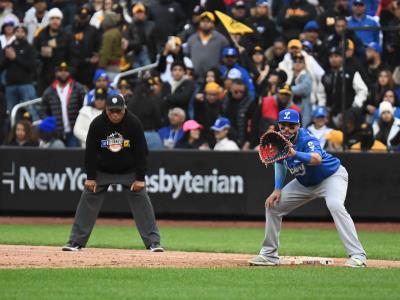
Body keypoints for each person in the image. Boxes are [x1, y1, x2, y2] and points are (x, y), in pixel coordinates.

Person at [248, 108, 367, 268]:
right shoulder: (279, 140)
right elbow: (279, 163)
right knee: (273, 206)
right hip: (305, 183)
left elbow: (316, 159)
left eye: (291, 126)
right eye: (283, 126)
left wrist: (294, 153)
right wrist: (277, 189)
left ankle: (358, 256)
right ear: (279, 125)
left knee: (335, 205)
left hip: (331, 176)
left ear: (298, 125)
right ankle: (269, 255)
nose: (287, 130)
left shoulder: (307, 138)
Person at [62, 94, 163, 252]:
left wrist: (140, 178)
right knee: (87, 198)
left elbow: (141, 153)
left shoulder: (134, 123)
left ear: (125, 110)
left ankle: (153, 242)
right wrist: (90, 177)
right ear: (106, 110)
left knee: (142, 201)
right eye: (112, 111)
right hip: (103, 170)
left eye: (119, 111)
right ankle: (75, 241)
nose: (115, 114)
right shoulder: (97, 124)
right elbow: (90, 153)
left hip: (129, 171)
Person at [40, 62, 85, 147]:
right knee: (58, 158)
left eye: (66, 71)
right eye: (60, 71)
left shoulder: (78, 88)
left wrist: (79, 123)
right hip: (56, 133)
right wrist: (51, 124)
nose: (63, 73)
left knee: (73, 158)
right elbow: (43, 111)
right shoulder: (49, 91)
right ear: (56, 73)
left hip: (74, 131)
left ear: (69, 73)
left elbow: (84, 107)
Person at [0, 25, 37, 116]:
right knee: (12, 112)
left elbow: (32, 67)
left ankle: (34, 129)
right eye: (17, 31)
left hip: (26, 84)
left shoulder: (30, 48)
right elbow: (1, 66)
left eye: (22, 31)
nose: (19, 33)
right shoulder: (8, 48)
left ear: (26, 34)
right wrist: (8, 58)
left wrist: (15, 58)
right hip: (10, 86)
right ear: (14, 33)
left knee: (30, 110)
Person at [185, 11, 229, 79]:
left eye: (208, 21)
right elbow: (186, 55)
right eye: (202, 21)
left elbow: (226, 57)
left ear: (213, 24)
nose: (205, 23)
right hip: (195, 77)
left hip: (214, 77)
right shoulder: (192, 39)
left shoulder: (221, 39)